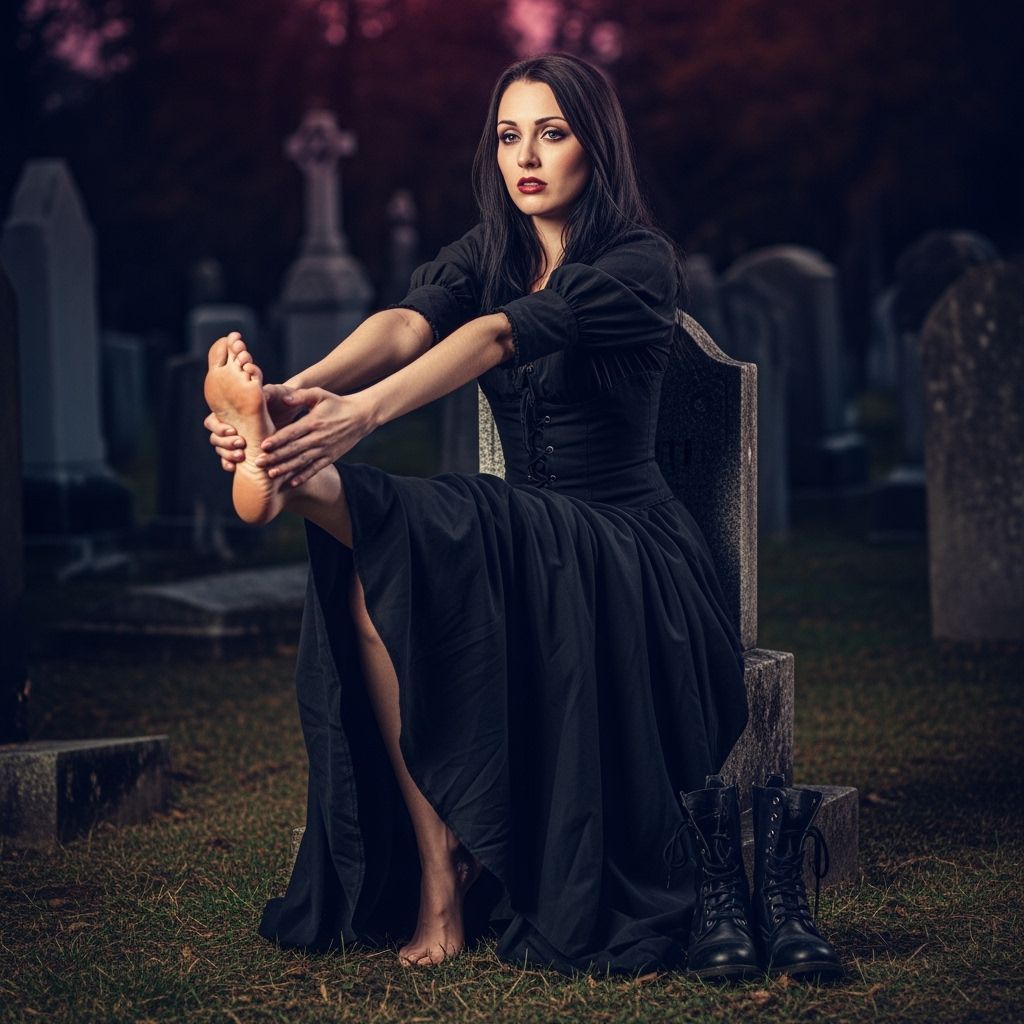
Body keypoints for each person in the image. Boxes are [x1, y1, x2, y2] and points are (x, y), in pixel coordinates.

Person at [202, 52, 841, 980]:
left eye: (552, 133)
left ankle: (289, 472)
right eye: (509, 135)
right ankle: (439, 873)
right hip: (527, 538)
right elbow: (409, 323)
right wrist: (305, 392)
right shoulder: (491, 250)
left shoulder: (637, 261)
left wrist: (364, 417)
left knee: (425, 516)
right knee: (379, 587)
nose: (526, 157)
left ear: (596, 146)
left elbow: (503, 334)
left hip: (632, 555)